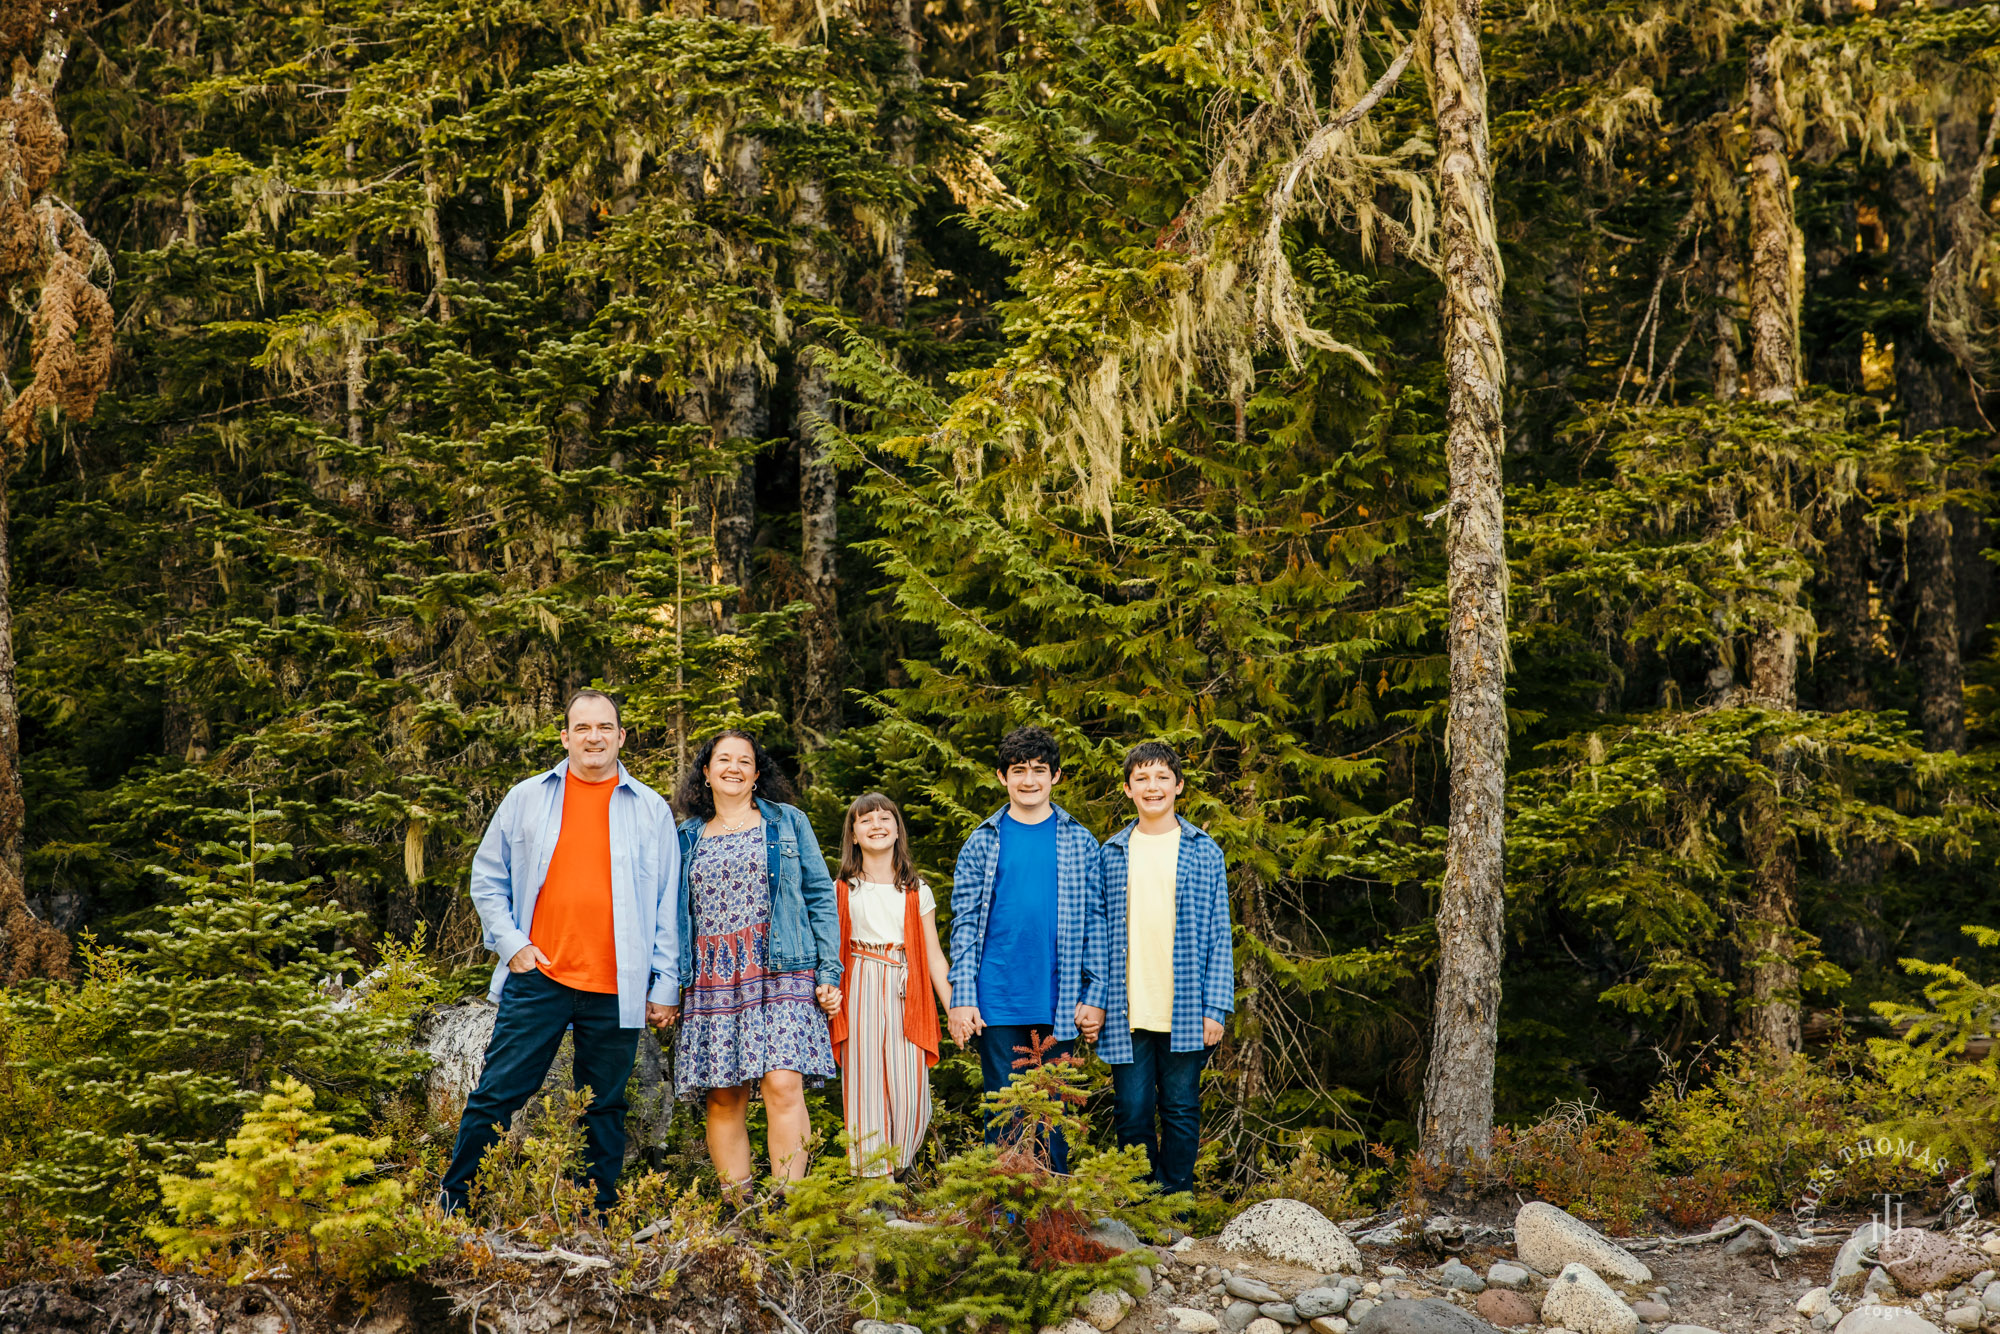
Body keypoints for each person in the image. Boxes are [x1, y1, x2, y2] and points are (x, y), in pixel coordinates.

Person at [441, 689, 681, 1215]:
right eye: (583, 728)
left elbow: (668, 902)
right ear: (566, 736)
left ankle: (598, 1213)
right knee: (497, 1093)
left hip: (617, 984)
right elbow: (487, 879)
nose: (594, 737)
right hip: (540, 976)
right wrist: (513, 946)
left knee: (605, 1107)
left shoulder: (650, 810)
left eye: (605, 728)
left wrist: (664, 985)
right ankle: (454, 1203)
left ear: (620, 737)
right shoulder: (528, 797)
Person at [659, 730, 841, 1196]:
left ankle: (786, 1207)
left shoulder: (788, 823)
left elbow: (820, 898)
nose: (734, 768)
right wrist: (665, 984)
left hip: (783, 967)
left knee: (783, 1083)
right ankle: (738, 1210)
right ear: (706, 771)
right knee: (724, 1095)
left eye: (745, 761)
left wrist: (829, 972)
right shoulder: (684, 837)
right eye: (723, 760)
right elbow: (667, 914)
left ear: (758, 774)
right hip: (711, 976)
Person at [1075, 741, 1234, 1200]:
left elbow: (1220, 932)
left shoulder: (1204, 851)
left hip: (1186, 1005)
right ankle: (1143, 1209)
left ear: (1178, 786)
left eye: (1162, 777)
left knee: (1181, 1110)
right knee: (1132, 1111)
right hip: (1129, 1009)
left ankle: (1176, 1208)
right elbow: (1097, 932)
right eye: (1142, 779)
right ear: (1127, 790)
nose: (1153, 787)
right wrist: (1097, 999)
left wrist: (1216, 1008)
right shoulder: (1111, 853)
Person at [947, 724, 1103, 1172]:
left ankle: (1052, 1217)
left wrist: (1095, 996)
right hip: (997, 1000)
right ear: (1002, 777)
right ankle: (1004, 1215)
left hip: (1060, 1000)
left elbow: (1098, 922)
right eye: (1019, 770)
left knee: (1056, 1115)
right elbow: (965, 925)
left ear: (1056, 776)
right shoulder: (982, 841)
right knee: (1003, 1114)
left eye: (1039, 770)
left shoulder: (1080, 840)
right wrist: (963, 997)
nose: (1029, 780)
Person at [827, 793, 951, 1178]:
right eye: (866, 820)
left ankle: (900, 1164)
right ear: (853, 833)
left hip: (905, 985)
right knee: (864, 1081)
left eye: (885, 818)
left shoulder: (916, 891)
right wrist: (828, 990)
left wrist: (954, 1009)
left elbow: (933, 956)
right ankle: (872, 1180)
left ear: (897, 830)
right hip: (860, 979)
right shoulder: (842, 889)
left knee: (910, 1090)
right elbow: (829, 952)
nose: (876, 825)